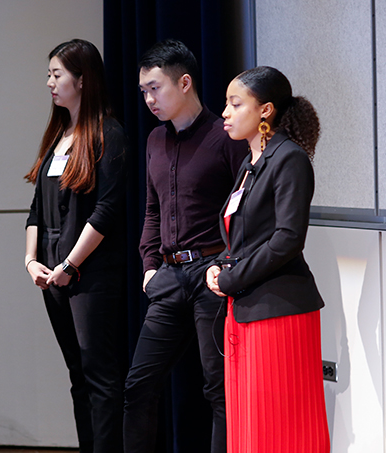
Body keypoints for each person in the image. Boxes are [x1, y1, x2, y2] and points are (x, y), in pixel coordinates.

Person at [124, 39, 247, 453]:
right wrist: (148, 268)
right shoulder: (154, 141)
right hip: (168, 276)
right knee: (138, 385)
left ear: (185, 83)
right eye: (143, 91)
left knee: (219, 390)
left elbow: (243, 211)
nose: (148, 98)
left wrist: (228, 266)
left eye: (155, 88)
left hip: (212, 274)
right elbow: (152, 210)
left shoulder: (224, 136)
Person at [206, 66, 330, 452]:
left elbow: (288, 239)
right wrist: (222, 265)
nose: (224, 112)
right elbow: (246, 236)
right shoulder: (250, 163)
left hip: (279, 310)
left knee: (281, 425)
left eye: (234, 103)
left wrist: (231, 277)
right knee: (248, 423)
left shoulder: (289, 159)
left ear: (266, 110)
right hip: (244, 307)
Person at [24, 39, 128, 453]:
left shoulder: (109, 134)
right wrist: (31, 260)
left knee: (100, 374)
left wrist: (69, 263)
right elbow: (36, 210)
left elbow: (106, 211)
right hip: (52, 274)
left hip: (89, 273)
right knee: (77, 374)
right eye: (49, 74)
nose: (49, 82)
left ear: (82, 80)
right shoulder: (59, 136)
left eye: (57, 74)